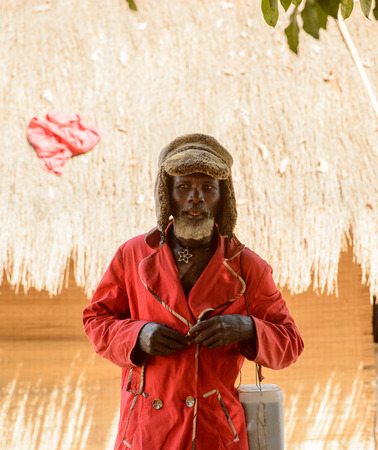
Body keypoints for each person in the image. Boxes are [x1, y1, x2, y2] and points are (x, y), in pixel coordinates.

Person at [82, 133, 304, 449]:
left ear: (222, 198)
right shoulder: (132, 256)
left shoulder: (248, 267)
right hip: (146, 432)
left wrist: (246, 328)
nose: (195, 197)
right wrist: (138, 335)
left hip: (217, 433)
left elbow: (290, 342)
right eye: (184, 187)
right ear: (167, 196)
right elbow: (96, 320)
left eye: (208, 188)